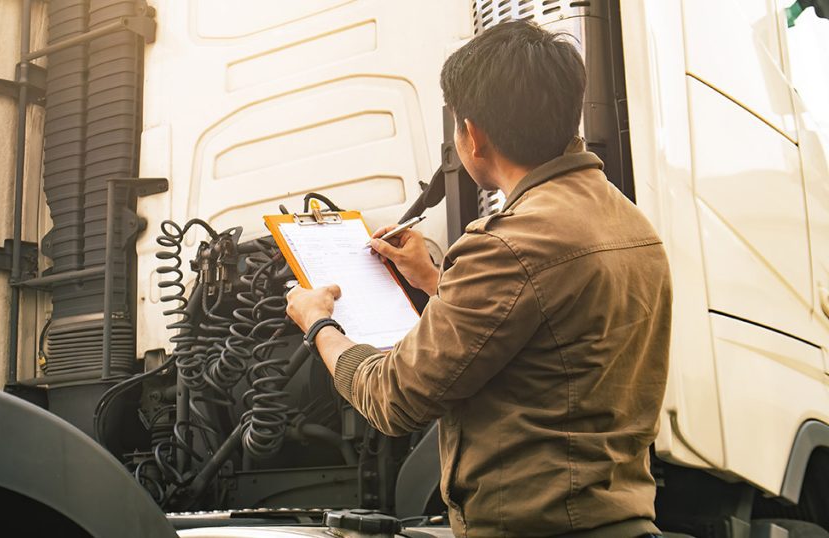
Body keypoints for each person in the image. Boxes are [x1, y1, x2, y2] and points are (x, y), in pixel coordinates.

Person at [285, 20, 672, 538]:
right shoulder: (630, 222)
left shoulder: (510, 243)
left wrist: (318, 324)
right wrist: (432, 278)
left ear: (473, 135)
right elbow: (549, 332)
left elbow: (393, 398)